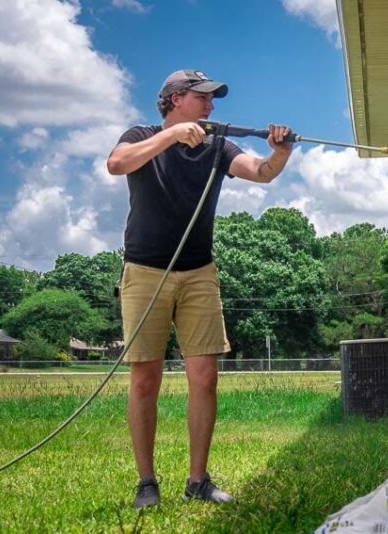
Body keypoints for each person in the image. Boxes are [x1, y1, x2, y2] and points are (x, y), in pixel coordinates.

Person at [107, 69, 293, 508]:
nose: (211, 106)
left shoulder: (218, 146)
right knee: (144, 380)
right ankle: (147, 483)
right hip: (144, 271)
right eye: (202, 98)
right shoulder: (142, 134)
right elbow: (117, 164)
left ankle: (198, 481)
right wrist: (170, 138)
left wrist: (280, 152)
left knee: (205, 378)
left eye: (213, 99)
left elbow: (261, 172)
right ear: (175, 99)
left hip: (199, 273)